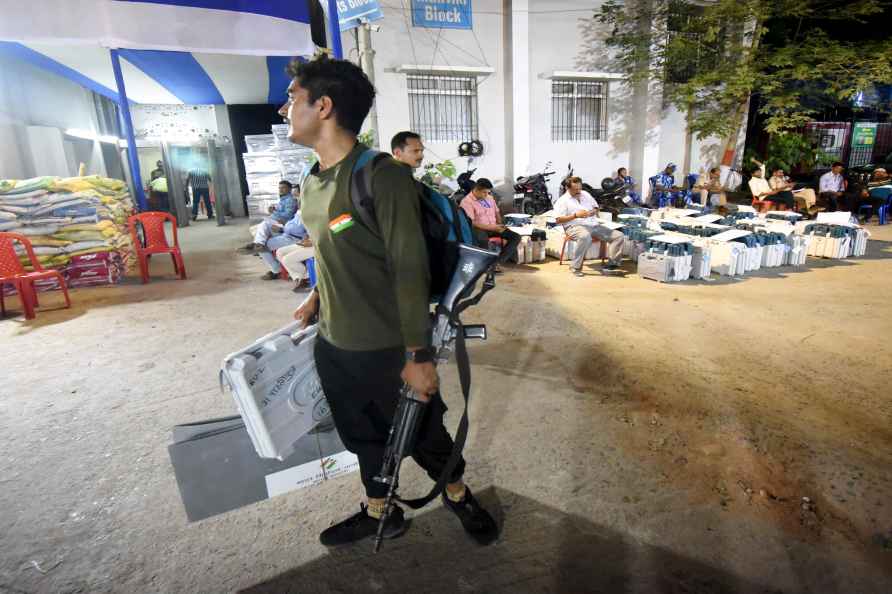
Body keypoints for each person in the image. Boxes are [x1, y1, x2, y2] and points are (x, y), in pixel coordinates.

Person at [284, 56, 497, 547]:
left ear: (324, 106)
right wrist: (317, 295)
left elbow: (408, 268)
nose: (285, 109)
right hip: (335, 343)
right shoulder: (312, 181)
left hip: (387, 345)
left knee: (424, 435)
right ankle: (380, 511)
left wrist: (418, 357)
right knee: (363, 438)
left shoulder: (382, 176)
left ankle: (459, 495)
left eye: (293, 99)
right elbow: (335, 249)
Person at [553, 176, 625, 276]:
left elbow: (596, 207)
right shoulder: (562, 201)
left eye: (580, 188)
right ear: (567, 188)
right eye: (575, 189)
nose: (578, 191)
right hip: (574, 226)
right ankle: (575, 267)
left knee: (618, 236)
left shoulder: (585, 194)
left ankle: (613, 264)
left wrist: (593, 212)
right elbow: (558, 220)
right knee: (585, 236)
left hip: (592, 224)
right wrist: (575, 215)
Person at [459, 178, 520, 270]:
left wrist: (500, 224)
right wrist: (492, 228)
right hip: (479, 228)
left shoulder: (489, 198)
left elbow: (497, 212)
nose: (486, 195)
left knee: (515, 237)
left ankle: (497, 262)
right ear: (476, 190)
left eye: (488, 192)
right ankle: (484, 264)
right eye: (484, 192)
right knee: (482, 238)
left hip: (494, 226)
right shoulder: (467, 202)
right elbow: (472, 223)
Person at [255, 209, 314, 286]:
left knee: (287, 260)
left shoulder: (322, 213)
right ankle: (299, 277)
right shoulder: (309, 209)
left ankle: (305, 277)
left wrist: (313, 241)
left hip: (318, 245)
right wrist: (308, 238)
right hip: (309, 240)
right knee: (280, 252)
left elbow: (330, 235)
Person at [240, 181, 298, 253]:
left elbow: (288, 215)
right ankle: (259, 245)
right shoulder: (283, 199)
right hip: (276, 221)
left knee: (263, 226)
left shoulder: (290, 200)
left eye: (283, 188)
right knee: (255, 229)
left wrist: (273, 212)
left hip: (282, 223)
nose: (280, 190)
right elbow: (281, 211)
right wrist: (273, 209)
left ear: (289, 189)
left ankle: (259, 245)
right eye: (279, 188)